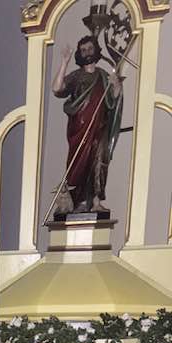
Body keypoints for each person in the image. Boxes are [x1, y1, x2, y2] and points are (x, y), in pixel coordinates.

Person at [52, 34, 123, 215]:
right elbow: (57, 88)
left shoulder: (103, 76)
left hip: (100, 128)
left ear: (96, 50)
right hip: (80, 128)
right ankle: (79, 201)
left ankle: (96, 201)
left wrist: (116, 85)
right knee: (79, 163)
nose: (87, 52)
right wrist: (64, 62)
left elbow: (112, 100)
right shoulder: (76, 76)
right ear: (79, 54)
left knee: (100, 161)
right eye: (83, 50)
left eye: (90, 48)